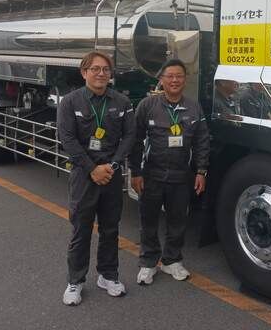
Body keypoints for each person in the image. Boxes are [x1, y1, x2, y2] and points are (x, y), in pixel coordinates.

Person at [57, 51, 135, 306]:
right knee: (81, 229)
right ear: (84, 72)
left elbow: (129, 136)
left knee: (110, 229)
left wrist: (112, 165)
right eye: (95, 69)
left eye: (105, 69)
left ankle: (108, 275)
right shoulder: (70, 102)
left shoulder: (122, 102)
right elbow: (67, 139)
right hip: (83, 175)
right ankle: (75, 281)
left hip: (111, 174)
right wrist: (92, 169)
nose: (101, 74)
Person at [129, 59, 210, 285]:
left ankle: (172, 260)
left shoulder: (194, 107)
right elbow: (135, 140)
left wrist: (201, 171)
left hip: (181, 176)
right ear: (162, 79)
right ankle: (148, 262)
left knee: (178, 221)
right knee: (148, 221)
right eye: (170, 76)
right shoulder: (147, 105)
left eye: (179, 76)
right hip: (151, 175)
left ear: (185, 80)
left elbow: (202, 141)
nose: (175, 80)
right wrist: (135, 172)